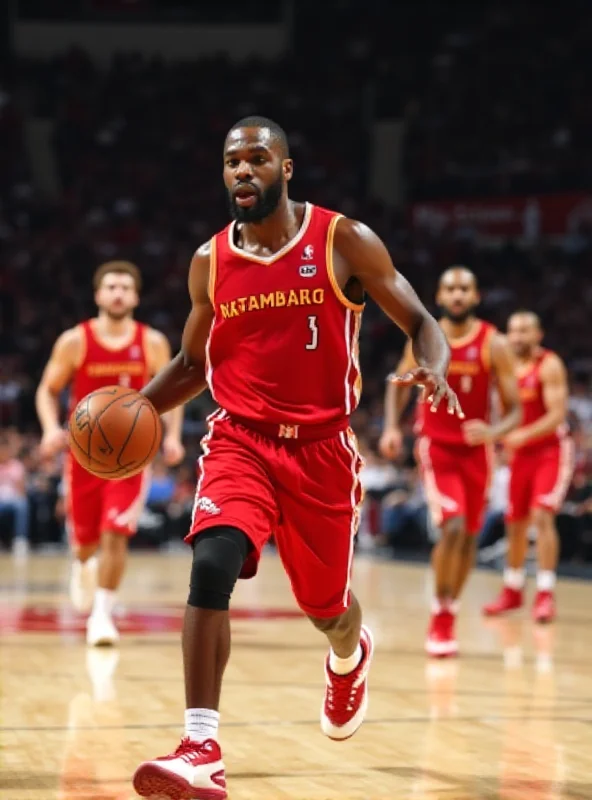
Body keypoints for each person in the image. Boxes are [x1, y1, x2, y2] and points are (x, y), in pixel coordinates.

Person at [131, 116, 461, 800]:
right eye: (231, 161)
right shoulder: (210, 260)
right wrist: (136, 408)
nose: (242, 171)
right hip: (240, 439)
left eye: (257, 158)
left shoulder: (343, 239)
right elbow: (194, 362)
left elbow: (423, 322)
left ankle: (349, 652)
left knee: (326, 607)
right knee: (212, 560)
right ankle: (201, 745)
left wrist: (433, 365)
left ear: (286, 169)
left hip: (322, 451)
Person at [36, 261, 185, 646]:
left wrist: (171, 436)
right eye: (111, 287)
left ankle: (102, 614)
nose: (118, 293)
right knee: (85, 542)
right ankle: (82, 564)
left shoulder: (151, 341)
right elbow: (47, 389)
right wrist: (52, 429)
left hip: (131, 459)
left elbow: (170, 393)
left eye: (125, 287)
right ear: (98, 294)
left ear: (135, 296)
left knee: (115, 533)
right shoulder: (76, 340)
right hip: (82, 456)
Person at [380, 267, 521, 657]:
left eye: (464, 289)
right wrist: (392, 427)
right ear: (439, 297)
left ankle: (451, 609)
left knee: (470, 536)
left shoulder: (495, 342)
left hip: (478, 452)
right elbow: (398, 384)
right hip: (437, 446)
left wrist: (494, 433)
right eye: (450, 289)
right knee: (453, 527)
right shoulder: (425, 335)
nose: (457, 295)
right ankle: (439, 615)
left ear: (475, 296)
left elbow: (514, 411)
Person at [483, 311, 574, 622]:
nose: (517, 337)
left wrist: (523, 434)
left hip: (550, 451)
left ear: (539, 334)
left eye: (524, 331)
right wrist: (502, 442)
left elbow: (557, 415)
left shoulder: (549, 364)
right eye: (513, 331)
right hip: (520, 454)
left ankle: (546, 593)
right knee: (514, 522)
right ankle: (512, 589)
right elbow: (504, 414)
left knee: (542, 516)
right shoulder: (504, 369)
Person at [0, 432, 29, 558]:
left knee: (22, 504)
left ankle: (20, 539)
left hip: (13, 500)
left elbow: (21, 489)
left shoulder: (16, 466)